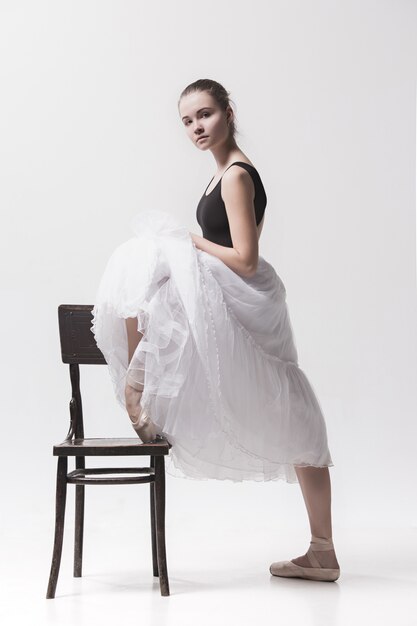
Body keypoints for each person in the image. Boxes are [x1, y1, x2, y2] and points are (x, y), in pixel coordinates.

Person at [91, 78, 340, 582]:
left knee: (298, 419)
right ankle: (323, 551)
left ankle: (323, 551)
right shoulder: (219, 175)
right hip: (231, 292)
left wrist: (189, 242)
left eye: (204, 114)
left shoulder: (235, 177)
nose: (196, 127)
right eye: (187, 121)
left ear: (228, 111)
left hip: (247, 294)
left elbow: (247, 260)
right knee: (151, 266)